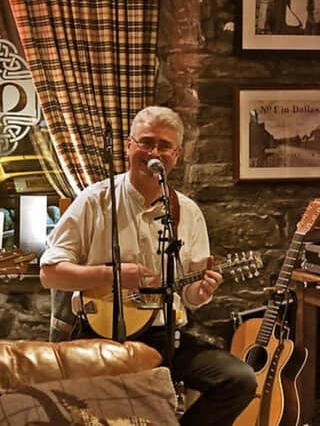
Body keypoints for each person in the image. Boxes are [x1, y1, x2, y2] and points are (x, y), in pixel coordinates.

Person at [39, 106, 256, 426]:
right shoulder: (96, 201)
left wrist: (203, 288)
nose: (154, 152)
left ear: (176, 155)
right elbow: (49, 273)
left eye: (164, 146)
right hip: (100, 336)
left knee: (239, 380)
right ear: (129, 146)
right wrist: (111, 276)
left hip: (166, 337)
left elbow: (191, 295)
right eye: (146, 142)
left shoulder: (187, 212)